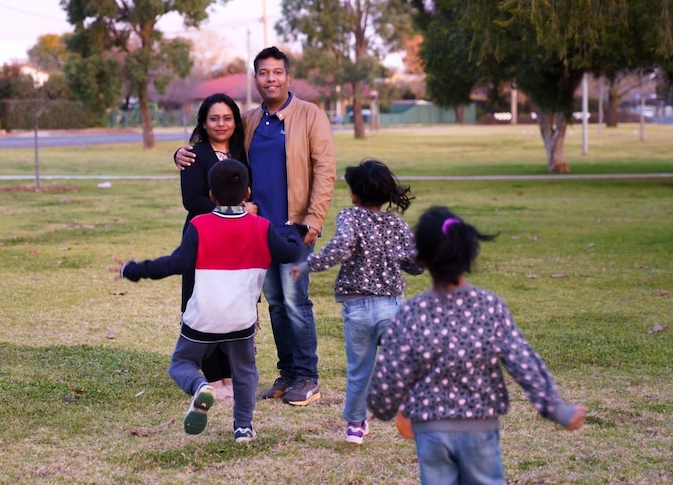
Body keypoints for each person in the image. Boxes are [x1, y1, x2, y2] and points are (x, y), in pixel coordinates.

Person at [367, 206, 587, 482]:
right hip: (479, 429)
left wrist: (385, 406)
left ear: (420, 258)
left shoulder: (412, 312)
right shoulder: (489, 307)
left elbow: (391, 372)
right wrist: (557, 409)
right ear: (468, 253)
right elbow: (523, 362)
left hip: (431, 431)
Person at [176, 46, 336, 406]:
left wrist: (314, 217)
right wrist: (181, 153)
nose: (271, 79)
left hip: (295, 227)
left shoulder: (311, 116)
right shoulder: (249, 119)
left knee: (296, 302)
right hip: (258, 230)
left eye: (277, 72)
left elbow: (325, 170)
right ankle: (288, 373)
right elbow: (217, 143)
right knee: (276, 303)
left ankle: (307, 377)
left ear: (287, 76)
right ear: (256, 78)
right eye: (264, 73)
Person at [116, 159, 303, 443]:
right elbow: (290, 253)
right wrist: (296, 233)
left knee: (180, 364)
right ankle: (243, 427)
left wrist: (133, 270)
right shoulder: (261, 227)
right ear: (248, 193)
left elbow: (174, 264)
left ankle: (200, 385)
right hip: (241, 320)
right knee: (245, 373)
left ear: (212, 195)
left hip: (202, 318)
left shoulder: (199, 224)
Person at [289, 159, 423, 445]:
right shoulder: (396, 224)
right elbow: (414, 263)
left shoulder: (349, 217)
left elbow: (341, 247)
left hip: (358, 310)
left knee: (358, 371)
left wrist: (308, 264)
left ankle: (355, 427)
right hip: (391, 307)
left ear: (354, 195)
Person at [180, 93, 255, 401]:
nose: (220, 124)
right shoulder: (194, 155)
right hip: (205, 238)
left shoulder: (244, 152)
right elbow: (192, 200)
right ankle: (214, 378)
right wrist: (233, 208)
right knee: (207, 304)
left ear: (235, 122)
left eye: (226, 118)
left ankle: (232, 375)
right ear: (204, 122)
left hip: (238, 241)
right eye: (214, 118)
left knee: (232, 305)